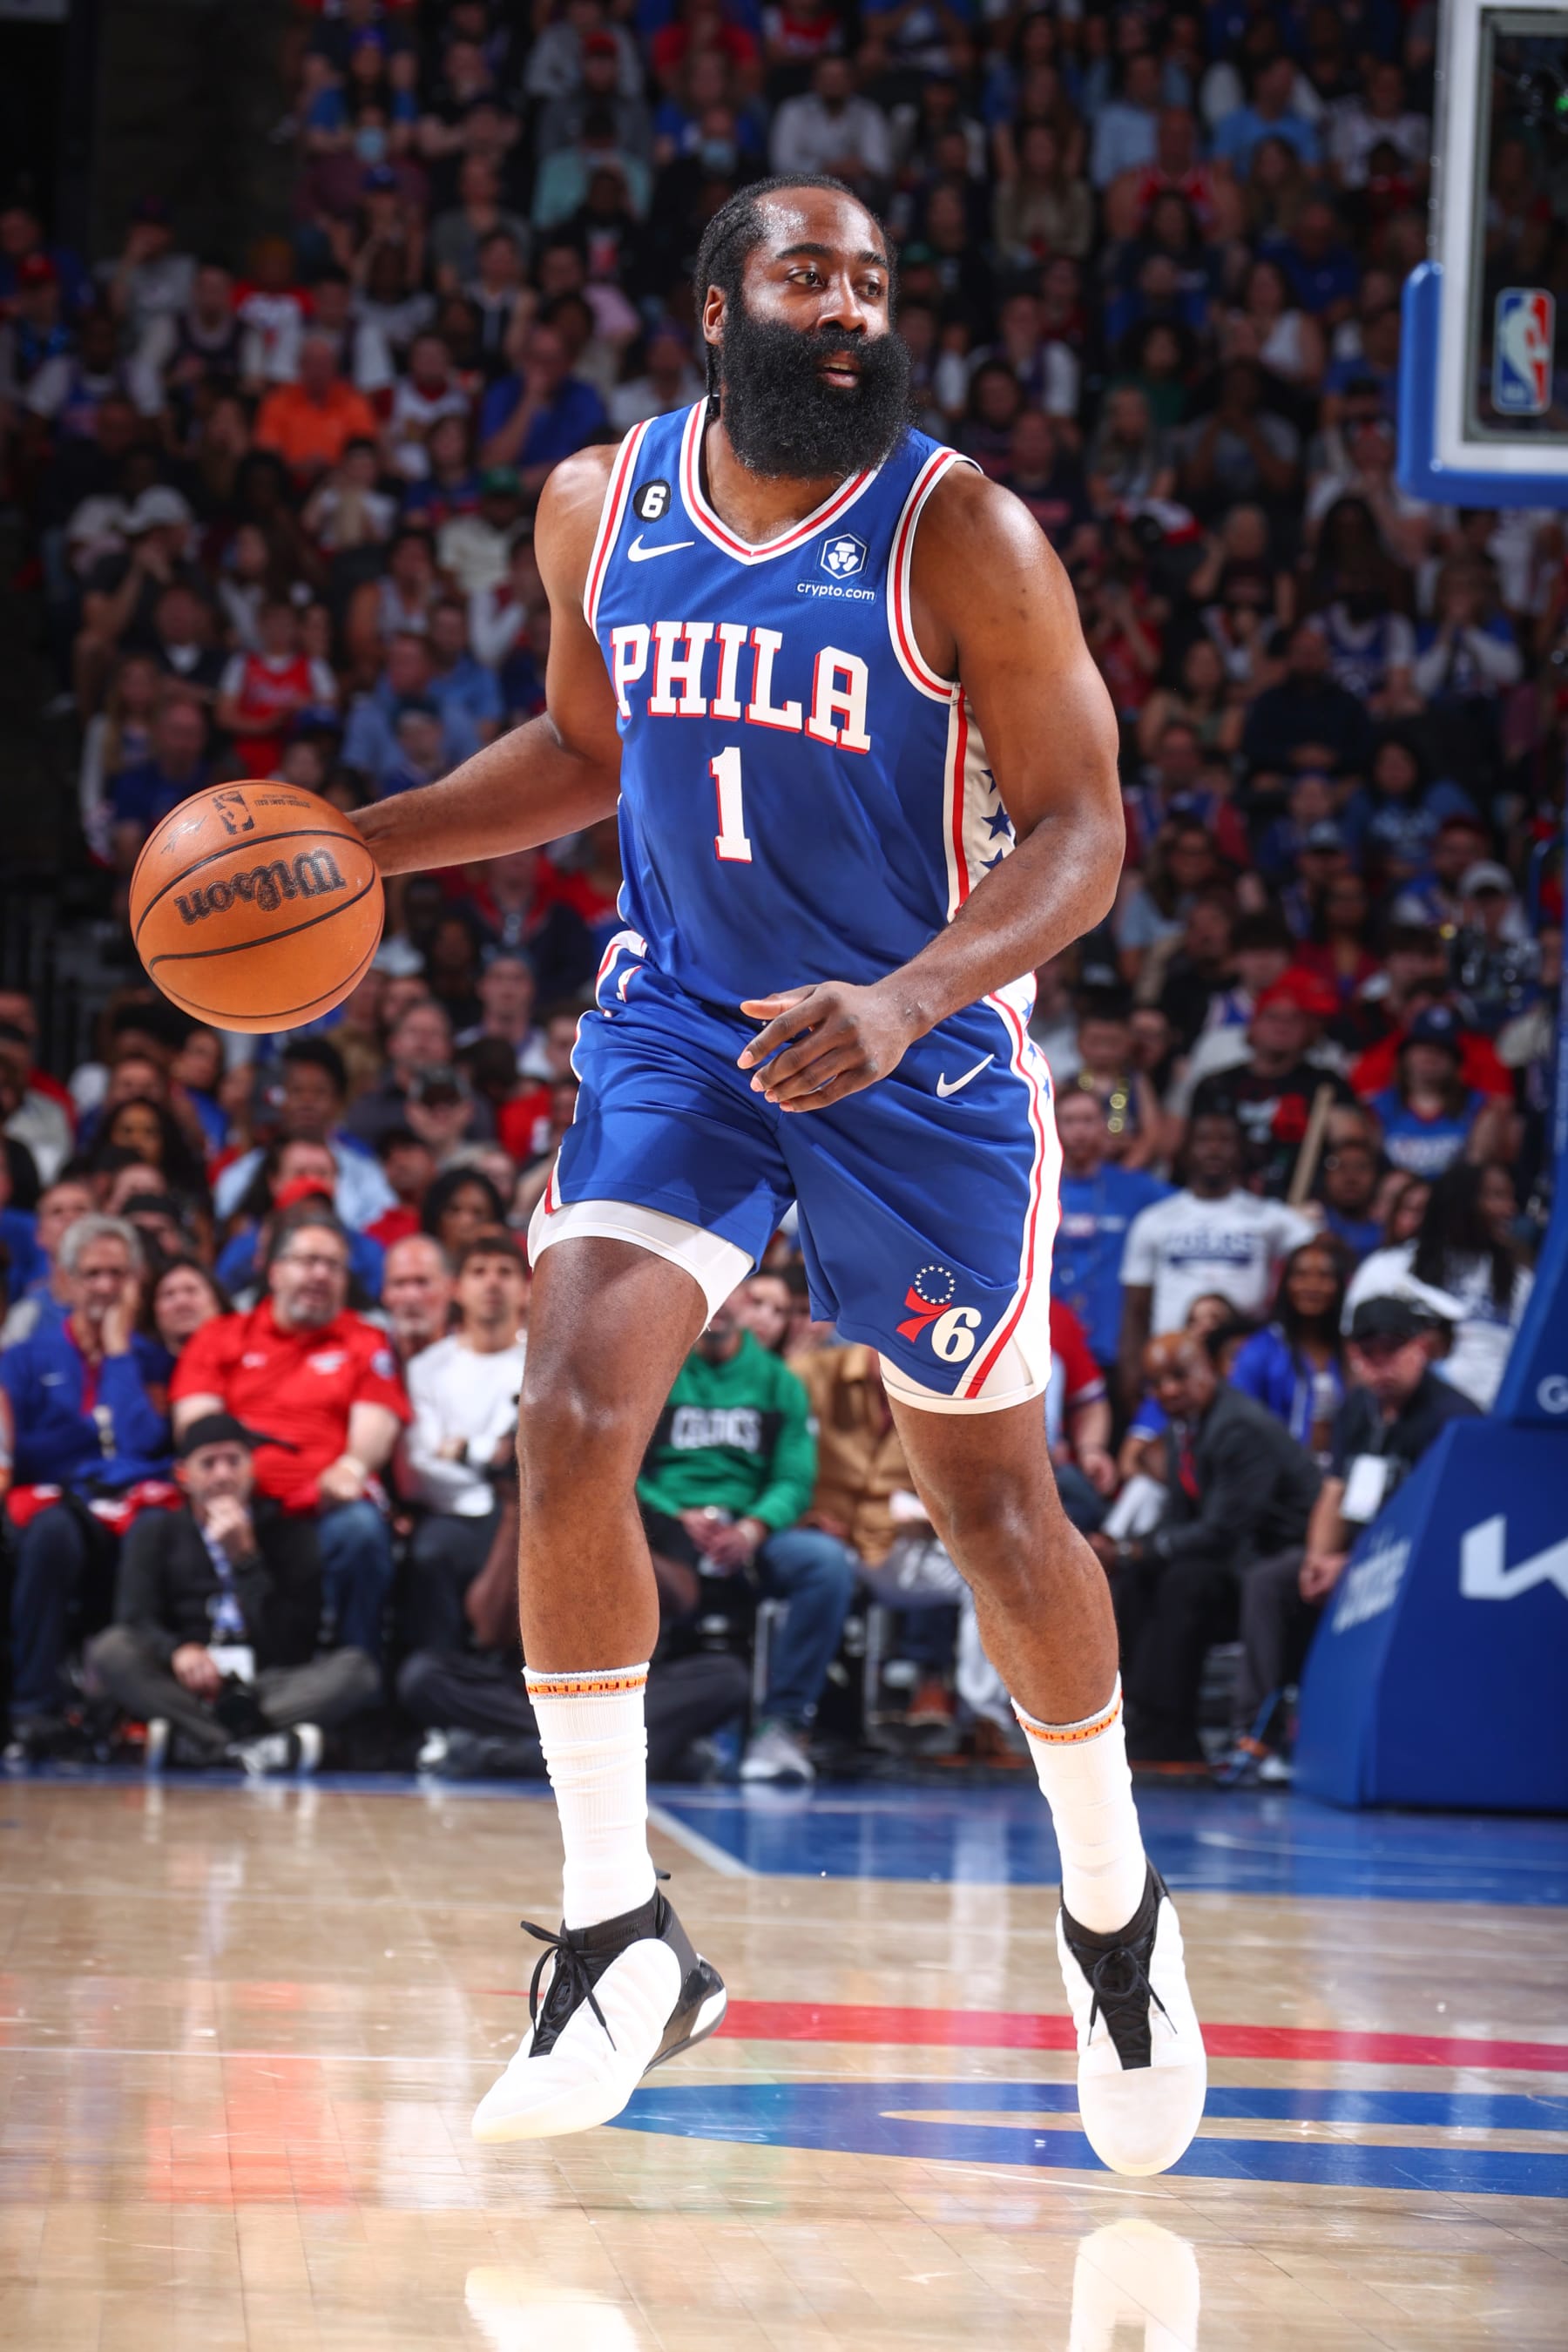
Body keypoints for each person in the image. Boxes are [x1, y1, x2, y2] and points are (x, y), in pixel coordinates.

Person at [351, 176, 1204, 2175]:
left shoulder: (963, 531)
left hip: (920, 1060)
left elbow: (1083, 832)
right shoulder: (598, 506)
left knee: (996, 1514)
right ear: (717, 302)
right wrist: (359, 842)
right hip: (687, 1033)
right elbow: (584, 752)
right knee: (568, 1407)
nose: (850, 308)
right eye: (808, 274)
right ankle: (615, 1930)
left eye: (876, 280)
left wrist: (913, 997)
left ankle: (1113, 1912)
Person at [1220, 1295, 1480, 1784]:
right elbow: (1336, 1490)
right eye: (1368, 1353)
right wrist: (1319, 1557)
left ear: (1422, 1349)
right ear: (1354, 1356)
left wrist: (1353, 1565)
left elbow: (1438, 1522)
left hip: (1421, 1565)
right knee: (1271, 1581)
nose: (1381, 1365)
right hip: (1354, 1556)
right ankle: (1255, 1736)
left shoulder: (1452, 1420)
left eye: (1393, 1351)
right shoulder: (1358, 1408)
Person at [169, 1200, 410, 1661]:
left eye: (333, 1266)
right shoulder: (221, 1335)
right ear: (275, 1272)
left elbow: (376, 1421)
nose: (320, 1275)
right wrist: (227, 1487)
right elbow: (197, 1428)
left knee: (360, 1529)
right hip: (241, 1501)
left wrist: (354, 1465)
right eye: (307, 1261)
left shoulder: (364, 1339)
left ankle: (356, 1671)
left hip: (322, 1507)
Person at [87, 1414, 382, 1774]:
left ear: (251, 1469)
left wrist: (246, 1561)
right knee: (111, 1650)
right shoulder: (155, 1532)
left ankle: (199, 1742)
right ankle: (249, 1746)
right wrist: (177, 1650)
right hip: (184, 1683)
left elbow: (294, 1643)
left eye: (234, 1461)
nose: (223, 1475)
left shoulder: (287, 1533)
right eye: (208, 1464)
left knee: (359, 1671)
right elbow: (135, 1618)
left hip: (265, 1684)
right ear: (184, 1475)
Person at [1093, 1328, 1321, 1766]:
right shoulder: (1185, 1428)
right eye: (1157, 1383)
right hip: (1234, 1556)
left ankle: (1172, 1731)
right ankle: (1139, 1719)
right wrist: (1129, 1552)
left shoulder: (1239, 1427)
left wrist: (1134, 1550)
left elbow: (1222, 1531)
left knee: (1184, 1582)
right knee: (1139, 1580)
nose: (1169, 1390)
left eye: (1180, 1376)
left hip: (1278, 1560)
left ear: (1210, 1371)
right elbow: (1183, 1520)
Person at [636, 1284, 828, 1782]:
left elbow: (794, 1477)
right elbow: (626, 1468)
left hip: (748, 1529)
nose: (719, 1303)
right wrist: (675, 1514)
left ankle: (782, 1725)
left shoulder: (779, 1382)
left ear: (747, 1304)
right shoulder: (655, 1369)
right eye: (708, 1289)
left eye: (730, 1292)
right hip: (664, 1524)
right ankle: (637, 1714)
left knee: (823, 1565)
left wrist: (752, 1526)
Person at [0, 1215, 172, 1744]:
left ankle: (123, 1707)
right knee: (52, 1533)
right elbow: (19, 1452)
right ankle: (34, 1703)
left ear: (136, 1282)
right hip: (55, 1509)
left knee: (153, 1532)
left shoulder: (153, 1362)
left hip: (128, 1509)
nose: (104, 1287)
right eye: (93, 1273)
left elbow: (143, 1440)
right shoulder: (23, 1359)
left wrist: (119, 1354)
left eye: (117, 1274)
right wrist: (93, 1440)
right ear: (68, 1281)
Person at [1119, 1112, 1316, 1409]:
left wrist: (1313, 1221)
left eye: (1224, 1140)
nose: (1213, 1149)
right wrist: (1132, 1369)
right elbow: (1135, 1309)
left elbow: (1324, 1254)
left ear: (1241, 1151)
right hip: (1171, 1365)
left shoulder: (1268, 1217)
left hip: (1243, 1365)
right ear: (1185, 1152)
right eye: (1203, 1140)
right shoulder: (1154, 1220)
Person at [399, 1233, 528, 1650]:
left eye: (505, 1273)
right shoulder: (426, 1368)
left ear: (526, 1289)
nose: (492, 1283)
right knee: (431, 1552)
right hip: (454, 1513)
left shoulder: (544, 1362)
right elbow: (419, 1467)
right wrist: (493, 1464)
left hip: (531, 1511)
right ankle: (441, 1665)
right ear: (456, 1288)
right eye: (479, 1272)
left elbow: (531, 1456)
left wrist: (462, 1449)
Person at [1344, 1160, 1532, 1410]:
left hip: (1494, 1427)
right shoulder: (1387, 1269)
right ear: (1458, 1201)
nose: (1510, 1209)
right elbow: (1354, 1359)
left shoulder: (1520, 1281)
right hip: (1411, 1428)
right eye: (1496, 1196)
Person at [1051, 1080, 1171, 1381]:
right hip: (1049, 1344)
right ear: (1053, 1127)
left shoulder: (1134, 1187)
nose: (1079, 1131)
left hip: (1113, 1345)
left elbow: (1193, 1206)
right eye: (1069, 1121)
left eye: (1088, 1120)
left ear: (1105, 1127)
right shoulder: (1032, 1188)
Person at [1227, 1240, 1348, 1458]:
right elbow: (1239, 1421)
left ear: (1340, 1284)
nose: (1313, 1285)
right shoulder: (1261, 1350)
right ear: (1285, 1283)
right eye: (1301, 1275)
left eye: (1324, 1276)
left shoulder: (1352, 1350)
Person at [381, 1231, 456, 1368]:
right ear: (385, 1293)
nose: (411, 1296)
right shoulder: (365, 1359)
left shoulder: (477, 1359)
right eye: (399, 1283)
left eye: (422, 1282)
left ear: (450, 1288)